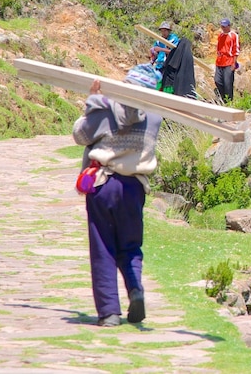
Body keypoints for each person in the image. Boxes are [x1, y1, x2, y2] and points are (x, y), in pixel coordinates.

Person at [73, 64, 163, 328]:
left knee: (103, 247)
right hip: (133, 187)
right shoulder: (155, 115)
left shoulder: (104, 108)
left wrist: (92, 103)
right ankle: (135, 290)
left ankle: (110, 313)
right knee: (131, 245)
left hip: (102, 184)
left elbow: (80, 135)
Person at [214, 18, 239, 103]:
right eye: (222, 26)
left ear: (229, 26)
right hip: (220, 61)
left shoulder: (233, 35)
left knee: (227, 83)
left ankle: (229, 101)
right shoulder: (220, 36)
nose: (223, 28)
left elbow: (236, 49)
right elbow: (218, 48)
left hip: (229, 61)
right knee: (217, 80)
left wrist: (234, 63)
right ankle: (222, 97)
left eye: (225, 26)